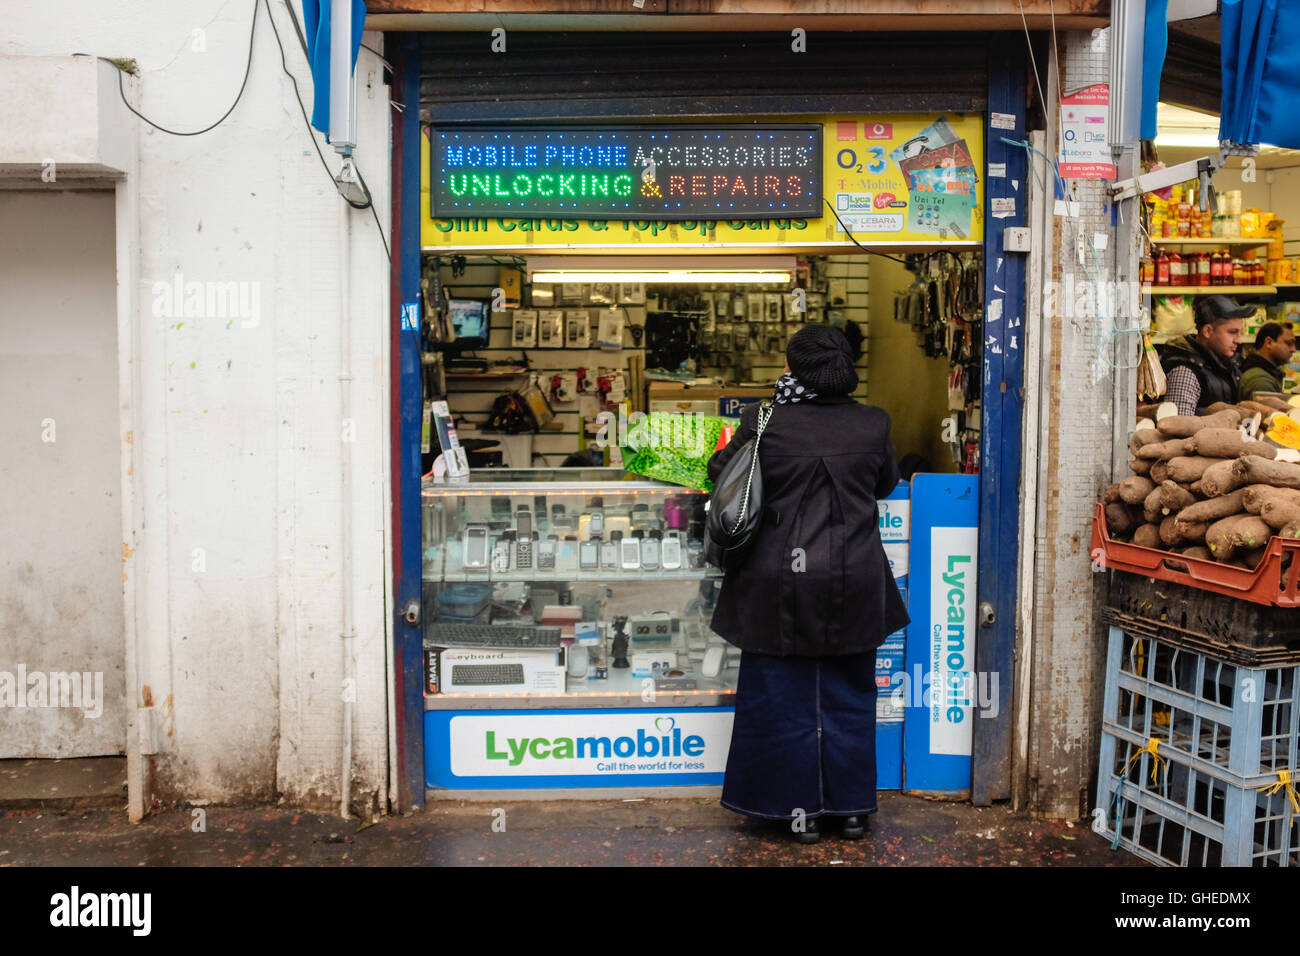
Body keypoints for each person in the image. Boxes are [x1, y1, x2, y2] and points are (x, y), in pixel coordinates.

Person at [706, 323, 909, 845]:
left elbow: (722, 476)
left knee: (779, 696)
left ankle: (794, 815)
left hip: (777, 585)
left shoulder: (764, 418)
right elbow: (884, 483)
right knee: (849, 695)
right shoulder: (873, 423)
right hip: (854, 579)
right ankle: (852, 812)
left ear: (795, 369)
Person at [1157, 295, 1254, 416]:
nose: (1239, 340)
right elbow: (1178, 428)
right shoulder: (1185, 372)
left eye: (1240, 333)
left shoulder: (1225, 365)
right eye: (1233, 332)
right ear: (1208, 331)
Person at [1239, 321, 1296, 401]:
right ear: (1269, 342)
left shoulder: (1267, 373)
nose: (1293, 349)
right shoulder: (1260, 381)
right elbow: (1274, 413)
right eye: (1289, 343)